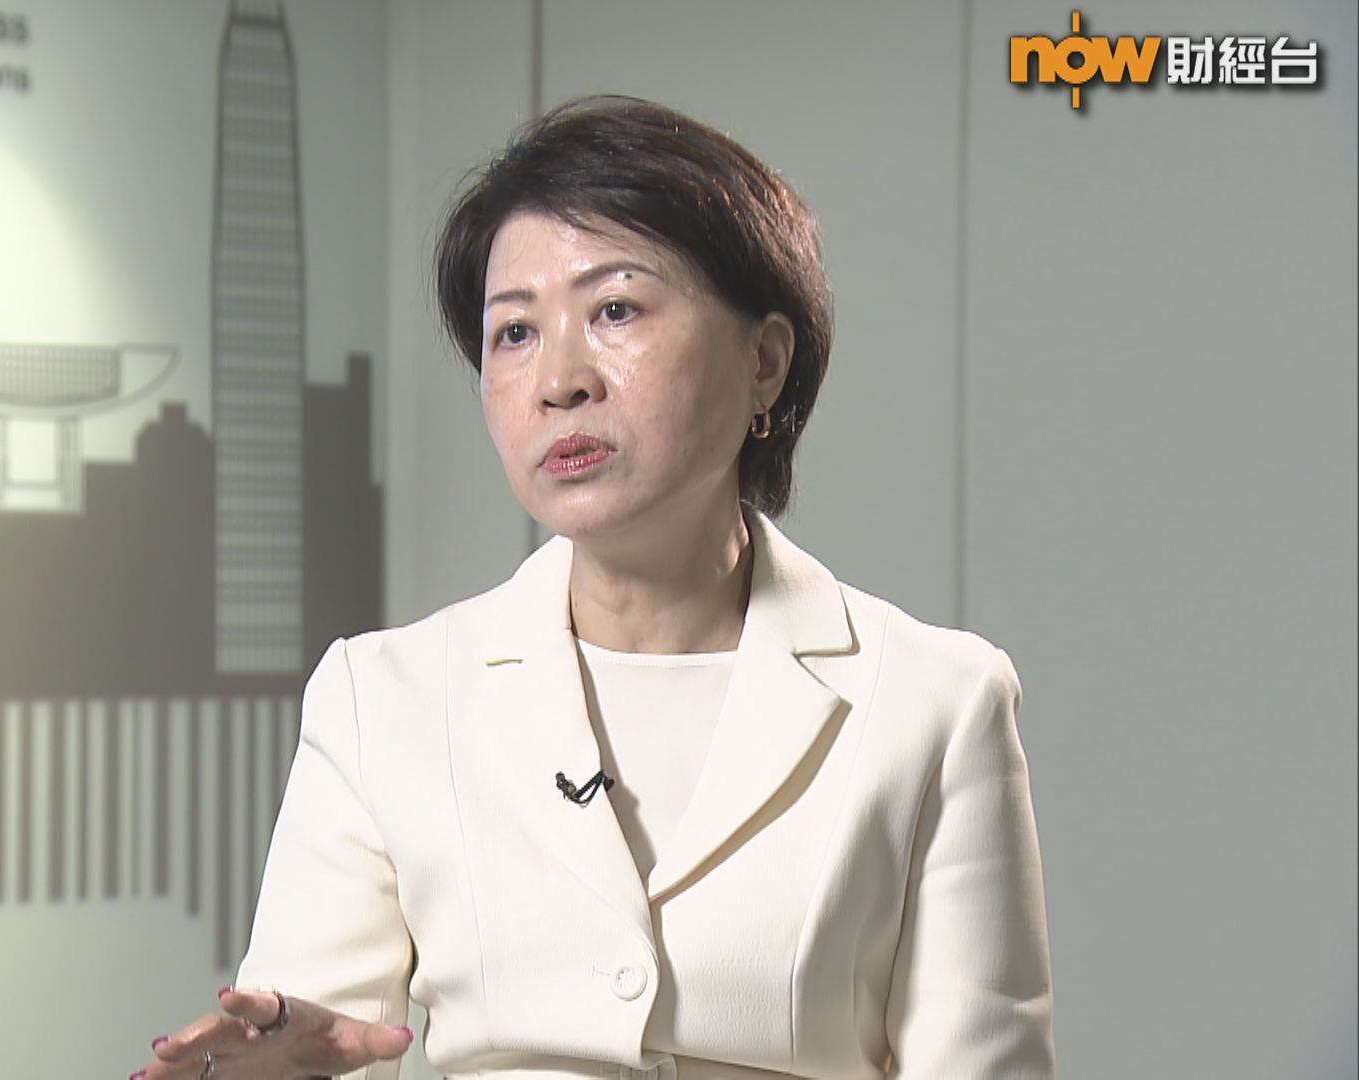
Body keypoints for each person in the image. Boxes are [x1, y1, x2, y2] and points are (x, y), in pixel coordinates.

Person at [134, 96, 1054, 1080]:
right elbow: (309, 1048)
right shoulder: (382, 699)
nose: (559, 380)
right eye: (514, 333)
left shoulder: (933, 702)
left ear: (764, 362)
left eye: (615, 309)